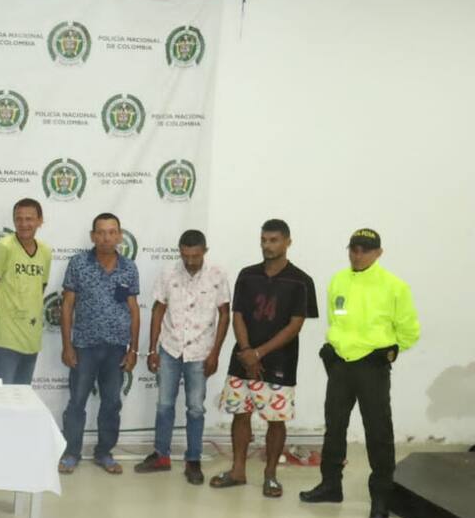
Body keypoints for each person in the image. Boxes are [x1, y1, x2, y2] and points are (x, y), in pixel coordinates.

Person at [300, 228, 420, 518]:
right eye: (353, 249)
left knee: (378, 432)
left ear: (379, 253)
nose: (358, 255)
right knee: (334, 426)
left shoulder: (394, 286)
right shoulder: (339, 280)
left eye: (365, 250)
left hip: (372, 367)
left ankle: (380, 497)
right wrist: (333, 349)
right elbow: (335, 320)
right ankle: (331, 485)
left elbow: (409, 330)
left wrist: (390, 352)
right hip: (341, 366)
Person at [210, 219, 318, 498]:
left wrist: (259, 353)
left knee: (276, 420)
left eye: (274, 240)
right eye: (264, 240)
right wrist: (247, 352)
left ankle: (270, 475)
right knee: (240, 415)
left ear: (287, 242)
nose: (267, 246)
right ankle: (237, 470)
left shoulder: (301, 281)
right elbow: (237, 315)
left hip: (280, 362)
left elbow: (295, 325)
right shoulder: (247, 275)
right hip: (242, 360)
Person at [134, 230, 230, 484]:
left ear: (204, 251)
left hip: (201, 352)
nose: (190, 261)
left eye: (195, 256)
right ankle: (161, 455)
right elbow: (158, 310)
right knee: (164, 405)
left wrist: (215, 353)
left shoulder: (217, 275)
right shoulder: (168, 273)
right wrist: (152, 349)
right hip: (170, 348)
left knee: (196, 408)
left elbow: (225, 315)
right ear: (180, 251)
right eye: (185, 255)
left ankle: (193, 460)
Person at [57, 213, 140, 475]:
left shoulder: (129, 268)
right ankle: (71, 452)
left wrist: (133, 349)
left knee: (112, 403)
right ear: (93, 236)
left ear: (120, 236)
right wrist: (67, 346)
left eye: (112, 232)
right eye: (101, 232)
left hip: (116, 348)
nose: (106, 237)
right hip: (84, 346)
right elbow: (67, 305)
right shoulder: (78, 263)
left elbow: (134, 310)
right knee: (77, 401)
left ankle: (104, 452)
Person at [0, 198, 51, 384]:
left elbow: (40, 287)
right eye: (19, 219)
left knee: (23, 394)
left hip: (31, 336)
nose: (23, 224)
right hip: (6, 337)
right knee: (3, 395)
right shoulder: (3, 247)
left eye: (29, 219)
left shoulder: (45, 252)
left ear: (40, 221)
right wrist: (1, 313)